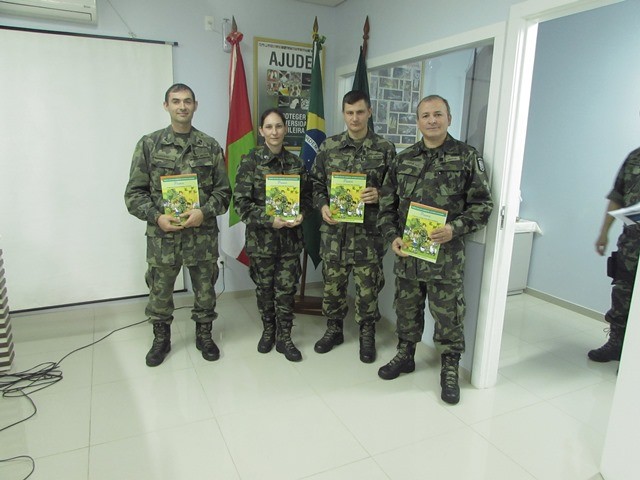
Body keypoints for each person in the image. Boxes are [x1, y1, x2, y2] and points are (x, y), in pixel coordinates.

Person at [377, 95, 493, 405]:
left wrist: (455, 228)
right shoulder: (403, 160)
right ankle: (406, 354)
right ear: (417, 122)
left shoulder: (467, 157)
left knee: (448, 316)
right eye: (425, 115)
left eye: (438, 114)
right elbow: (387, 206)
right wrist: (392, 237)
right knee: (407, 309)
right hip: (409, 256)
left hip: (446, 258)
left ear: (449, 118)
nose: (432, 120)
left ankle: (450, 368)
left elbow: (483, 206)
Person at [125, 83, 231, 367]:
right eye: (176, 101)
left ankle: (204, 335)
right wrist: (157, 217)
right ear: (166, 106)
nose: (182, 106)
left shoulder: (210, 146)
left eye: (187, 101)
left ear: (195, 105)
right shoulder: (149, 144)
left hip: (202, 236)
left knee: (206, 290)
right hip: (163, 236)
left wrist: (205, 212)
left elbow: (224, 194)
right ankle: (161, 339)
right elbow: (133, 195)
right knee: (160, 291)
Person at [309, 90, 396, 363]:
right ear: (343, 114)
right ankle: (334, 329)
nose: (354, 118)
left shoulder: (385, 149)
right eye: (349, 112)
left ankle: (367, 334)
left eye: (360, 112)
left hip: (368, 237)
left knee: (368, 289)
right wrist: (322, 205)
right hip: (334, 234)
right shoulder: (329, 147)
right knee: (332, 287)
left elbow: (397, 191)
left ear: (369, 112)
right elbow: (315, 184)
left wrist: (379, 194)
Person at [233, 109, 312, 362]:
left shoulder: (296, 164)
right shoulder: (250, 161)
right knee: (264, 289)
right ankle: (269, 330)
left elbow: (308, 198)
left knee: (286, 290)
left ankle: (285, 336)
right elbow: (241, 204)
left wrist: (301, 214)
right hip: (262, 242)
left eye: (279, 126)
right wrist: (270, 220)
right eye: (269, 127)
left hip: (290, 242)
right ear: (261, 131)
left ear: (286, 129)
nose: (274, 132)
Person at [589, 147, 640, 363]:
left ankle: (633, 362)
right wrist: (603, 233)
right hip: (631, 245)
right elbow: (617, 197)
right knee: (622, 297)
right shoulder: (635, 156)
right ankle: (616, 345)